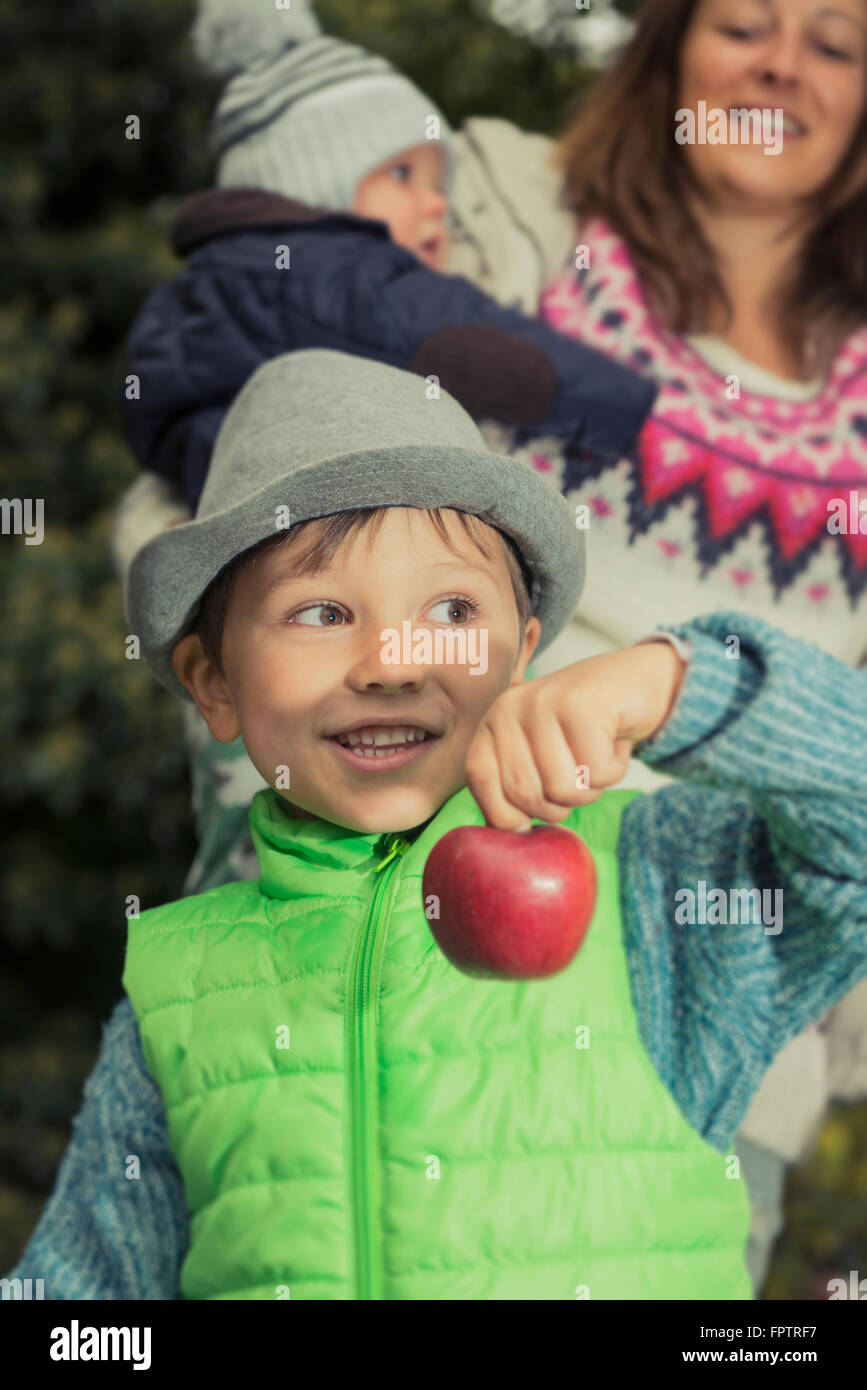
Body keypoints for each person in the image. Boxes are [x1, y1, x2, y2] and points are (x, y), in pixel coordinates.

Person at [5, 349, 867, 1300]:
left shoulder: (653, 897)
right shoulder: (176, 992)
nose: (391, 662)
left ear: (522, 652)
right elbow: (81, 1297)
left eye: (450, 609)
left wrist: (680, 684)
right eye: (321, 610)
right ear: (214, 684)